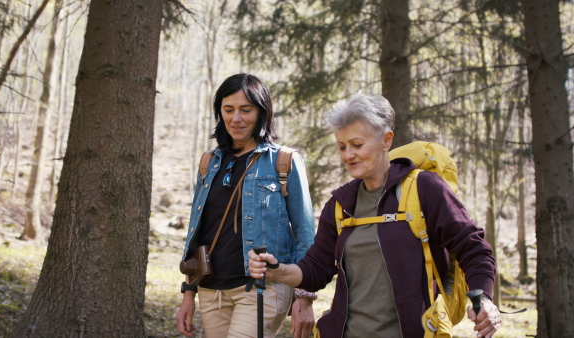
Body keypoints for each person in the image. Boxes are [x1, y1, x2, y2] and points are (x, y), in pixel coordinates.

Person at [248, 93, 502, 338]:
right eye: (342, 146)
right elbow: (315, 268)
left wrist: (485, 301)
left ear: (386, 140)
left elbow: (474, 249)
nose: (348, 155)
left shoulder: (425, 189)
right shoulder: (340, 205)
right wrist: (278, 270)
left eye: (357, 145)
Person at [176, 73, 316, 338]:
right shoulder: (210, 162)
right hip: (211, 290)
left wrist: (305, 296)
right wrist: (188, 294)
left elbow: (305, 234)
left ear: (262, 113)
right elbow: (198, 233)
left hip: (263, 287)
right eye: (228, 110)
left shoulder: (284, 161)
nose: (236, 118)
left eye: (246, 110)